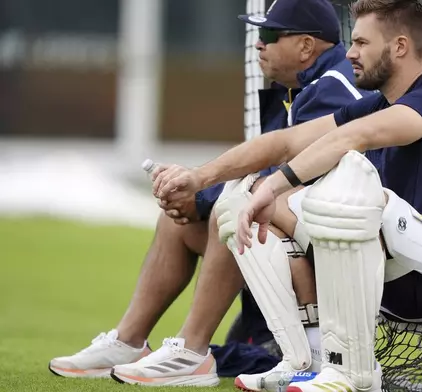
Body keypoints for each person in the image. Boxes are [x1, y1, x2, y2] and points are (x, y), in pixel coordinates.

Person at [153, 0, 422, 391]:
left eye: (361, 42)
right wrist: (200, 178)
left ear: (399, 46)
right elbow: (283, 142)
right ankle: (305, 360)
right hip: (394, 276)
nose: (349, 52)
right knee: (237, 201)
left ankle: (354, 374)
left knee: (344, 194)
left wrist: (274, 185)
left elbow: (356, 137)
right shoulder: (376, 104)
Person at [48, 0, 369, 386]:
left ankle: (192, 351)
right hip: (305, 234)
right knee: (185, 221)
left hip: (343, 252)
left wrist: (201, 196)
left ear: (305, 46)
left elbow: (292, 175)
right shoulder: (298, 88)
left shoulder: (332, 89)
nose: (258, 44)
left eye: (269, 34)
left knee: (231, 209)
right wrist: (193, 199)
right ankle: (129, 341)